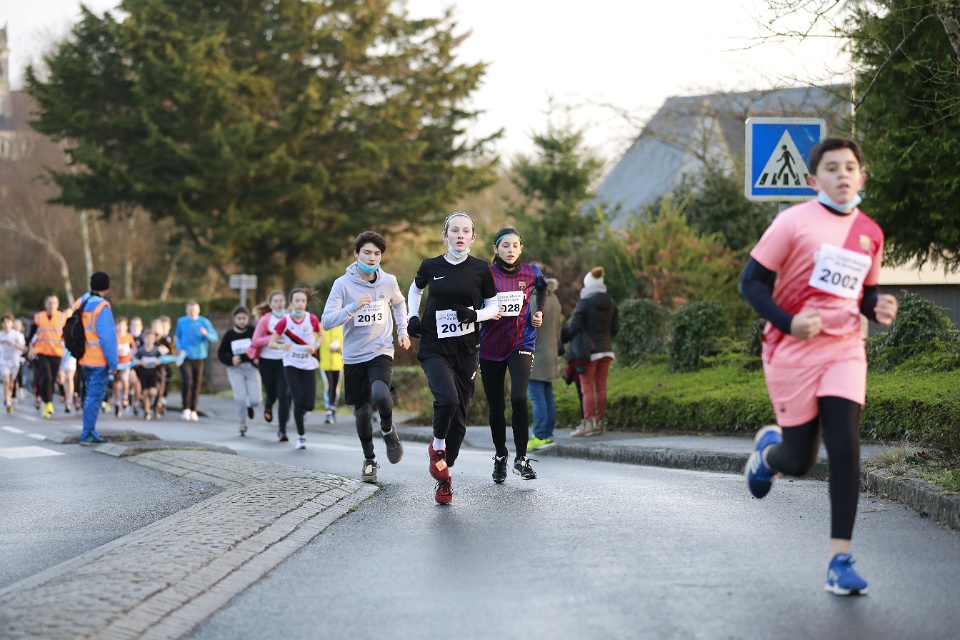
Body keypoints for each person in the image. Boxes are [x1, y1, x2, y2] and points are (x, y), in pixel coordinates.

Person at [739, 137, 898, 596]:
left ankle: (838, 561)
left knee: (845, 444)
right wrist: (788, 321)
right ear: (814, 180)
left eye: (850, 167)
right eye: (832, 168)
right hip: (791, 351)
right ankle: (769, 455)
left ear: (861, 177)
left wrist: (877, 306)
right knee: (800, 461)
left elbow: (863, 293)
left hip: (845, 349)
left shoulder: (870, 232)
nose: (842, 174)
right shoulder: (792, 222)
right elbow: (751, 283)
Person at [407, 212, 502, 504]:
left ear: (473, 237)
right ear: (445, 235)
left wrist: (474, 315)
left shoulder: (481, 269)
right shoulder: (430, 265)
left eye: (466, 231)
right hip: (434, 346)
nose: (460, 235)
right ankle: (436, 446)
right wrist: (412, 316)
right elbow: (415, 289)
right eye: (455, 230)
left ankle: (444, 476)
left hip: (466, 350)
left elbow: (494, 306)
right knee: (447, 399)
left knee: (459, 419)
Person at [322, 230, 410, 484]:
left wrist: (402, 331)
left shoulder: (388, 281)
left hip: (380, 349)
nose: (372, 258)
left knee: (381, 394)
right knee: (362, 413)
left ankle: (388, 431)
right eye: (367, 253)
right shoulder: (342, 285)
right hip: (353, 356)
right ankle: (369, 459)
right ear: (356, 254)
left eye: (377, 253)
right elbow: (326, 321)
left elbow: (399, 303)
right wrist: (352, 307)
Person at [478, 227, 547, 482]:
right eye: (505, 246)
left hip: (521, 341)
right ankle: (500, 456)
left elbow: (542, 289)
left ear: (521, 249)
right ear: (496, 249)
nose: (510, 250)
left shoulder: (531, 272)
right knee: (496, 406)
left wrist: (538, 312)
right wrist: (485, 312)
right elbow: (473, 304)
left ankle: (521, 458)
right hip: (491, 346)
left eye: (515, 246)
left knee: (518, 397)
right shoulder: (485, 274)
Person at [568, 267, 619, 437]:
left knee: (587, 388)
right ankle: (598, 422)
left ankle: (587, 424)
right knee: (601, 386)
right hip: (607, 350)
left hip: (588, 352)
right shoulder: (611, 302)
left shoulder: (584, 302)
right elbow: (615, 328)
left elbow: (573, 327)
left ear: (587, 285)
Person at [268, 288, 322, 449]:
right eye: (297, 301)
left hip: (308, 363)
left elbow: (322, 336)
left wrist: (315, 346)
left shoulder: (312, 319)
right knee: (298, 401)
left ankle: (303, 411)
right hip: (291, 363)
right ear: (291, 303)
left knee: (309, 404)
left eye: (303, 301)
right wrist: (282, 346)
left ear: (306, 303)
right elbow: (271, 343)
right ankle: (301, 437)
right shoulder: (285, 321)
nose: (300, 304)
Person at [75, 271, 118, 445]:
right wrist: (113, 363)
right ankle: (88, 433)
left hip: (84, 358)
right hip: (99, 360)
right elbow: (107, 338)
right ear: (106, 289)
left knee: (89, 396)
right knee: (94, 397)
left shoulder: (82, 302)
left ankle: (88, 430)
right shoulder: (102, 307)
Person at [249, 291, 293, 441]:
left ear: (285, 303)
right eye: (276, 301)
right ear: (270, 304)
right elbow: (255, 341)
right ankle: (268, 403)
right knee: (271, 392)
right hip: (267, 361)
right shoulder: (266, 319)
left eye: (281, 300)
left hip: (284, 361)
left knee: (283, 394)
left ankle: (282, 431)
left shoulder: (290, 318)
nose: (279, 303)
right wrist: (272, 338)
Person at [528, 276, 562, 451]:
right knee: (547, 396)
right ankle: (548, 434)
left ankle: (539, 435)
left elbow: (527, 327)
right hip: (550, 354)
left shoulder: (535, 299)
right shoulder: (554, 298)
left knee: (537, 397)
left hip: (536, 354)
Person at [217, 305, 262, 436]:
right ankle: (243, 424)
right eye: (239, 318)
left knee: (256, 400)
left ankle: (249, 405)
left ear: (248, 318)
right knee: (240, 398)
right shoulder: (230, 334)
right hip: (235, 369)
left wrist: (257, 358)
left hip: (251, 368)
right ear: (234, 319)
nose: (242, 321)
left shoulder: (253, 331)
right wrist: (231, 359)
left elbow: (260, 346)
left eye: (244, 318)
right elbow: (221, 353)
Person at [174, 301, 219, 422]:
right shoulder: (181, 321)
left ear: (198, 310)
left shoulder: (204, 322)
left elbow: (214, 337)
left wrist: (206, 334)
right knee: (187, 381)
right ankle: (186, 408)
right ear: (186, 310)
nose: (192, 312)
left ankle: (193, 409)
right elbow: (177, 337)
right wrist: (179, 348)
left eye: (194, 310)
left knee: (196, 383)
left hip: (199, 356)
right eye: (190, 309)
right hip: (185, 356)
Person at [25, 294, 66, 419]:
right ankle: (47, 403)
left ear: (57, 305)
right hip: (41, 351)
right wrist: (27, 346)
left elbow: (68, 334)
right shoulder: (39, 317)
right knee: (46, 377)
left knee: (52, 379)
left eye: (54, 303)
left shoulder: (63, 318)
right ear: (45, 304)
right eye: (49, 302)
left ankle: (47, 400)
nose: (51, 305)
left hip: (56, 352)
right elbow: (31, 333)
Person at [134, 328, 163, 420]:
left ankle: (155, 406)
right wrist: (139, 362)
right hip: (143, 373)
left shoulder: (156, 350)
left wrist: (158, 362)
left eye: (151, 338)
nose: (149, 340)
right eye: (147, 338)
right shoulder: (141, 350)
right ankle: (147, 411)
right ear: (144, 339)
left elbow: (163, 359)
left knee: (153, 391)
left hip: (153, 374)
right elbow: (135, 360)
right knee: (145, 392)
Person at [1, 314, 26, 412]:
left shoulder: (17, 335)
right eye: (4, 322)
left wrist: (13, 343)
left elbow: (23, 348)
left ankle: (10, 396)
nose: (6, 324)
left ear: (12, 323)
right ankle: (7, 401)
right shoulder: (1, 335)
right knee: (6, 380)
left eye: (8, 322)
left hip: (14, 361)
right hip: (3, 360)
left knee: (11, 382)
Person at [318, 324, 343, 424]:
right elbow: (314, 341)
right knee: (329, 386)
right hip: (325, 364)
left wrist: (339, 348)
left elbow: (347, 343)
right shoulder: (320, 326)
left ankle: (333, 408)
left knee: (336, 388)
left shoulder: (341, 327)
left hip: (338, 364)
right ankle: (328, 410)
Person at [113, 317, 136, 417]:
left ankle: (125, 397)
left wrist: (133, 357)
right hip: (116, 363)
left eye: (123, 325)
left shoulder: (129, 337)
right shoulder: (114, 336)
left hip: (126, 363)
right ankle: (117, 402)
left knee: (125, 379)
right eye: (119, 325)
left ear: (126, 327)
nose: (121, 327)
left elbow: (134, 348)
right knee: (117, 384)